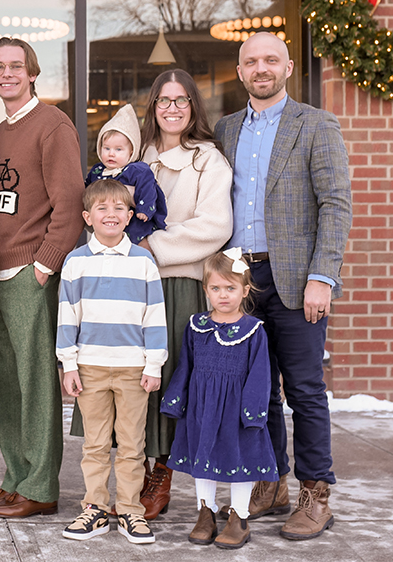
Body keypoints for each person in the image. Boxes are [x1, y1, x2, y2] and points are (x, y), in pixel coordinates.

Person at [214, 31, 350, 540]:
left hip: (296, 280)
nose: (261, 68)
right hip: (244, 281)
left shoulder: (316, 125)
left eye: (271, 59)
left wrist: (322, 277)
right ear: (240, 70)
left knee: (306, 390)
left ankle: (317, 493)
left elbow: (335, 205)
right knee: (260, 391)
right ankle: (271, 481)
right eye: (252, 61)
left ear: (288, 67)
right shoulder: (226, 129)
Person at [0, 37, 85, 519]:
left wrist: (44, 265)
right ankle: (15, 478)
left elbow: (70, 203)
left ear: (33, 72)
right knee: (6, 385)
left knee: (36, 384)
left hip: (28, 274)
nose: (7, 74)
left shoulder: (53, 125)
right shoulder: (0, 131)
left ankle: (40, 487)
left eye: (16, 66)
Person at [132, 69, 234, 520]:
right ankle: (130, 464)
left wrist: (153, 244)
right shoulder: (137, 156)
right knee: (134, 378)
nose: (172, 108)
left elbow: (215, 226)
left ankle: (161, 471)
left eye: (181, 100)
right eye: (163, 100)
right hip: (133, 285)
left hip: (178, 286)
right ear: (152, 108)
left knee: (169, 377)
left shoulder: (207, 161)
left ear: (193, 107)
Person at [58, 179, 166, 546]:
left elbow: (154, 315)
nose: (111, 214)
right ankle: (95, 509)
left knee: (133, 445)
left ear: (130, 216)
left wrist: (153, 364)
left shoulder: (143, 261)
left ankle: (131, 511)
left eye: (119, 208)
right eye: (102, 209)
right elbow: (67, 316)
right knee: (95, 444)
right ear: (88, 217)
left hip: (133, 368)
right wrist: (68, 364)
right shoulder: (76, 262)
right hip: (90, 367)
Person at [161, 249, 278, 550]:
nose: (223, 295)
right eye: (216, 288)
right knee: (205, 457)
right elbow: (185, 365)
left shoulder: (253, 332)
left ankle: (239, 517)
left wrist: (252, 413)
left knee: (239, 460)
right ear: (206, 291)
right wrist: (176, 399)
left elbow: (260, 375)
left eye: (231, 288)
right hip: (203, 408)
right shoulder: (197, 326)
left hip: (237, 411)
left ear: (245, 290)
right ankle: (205, 512)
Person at [84, 104, 167, 244]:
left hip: (135, 220)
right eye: (107, 148)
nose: (111, 153)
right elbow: (87, 188)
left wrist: (144, 209)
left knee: (135, 238)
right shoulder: (98, 170)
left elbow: (148, 189)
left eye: (118, 149)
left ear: (131, 152)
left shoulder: (137, 170)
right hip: (109, 223)